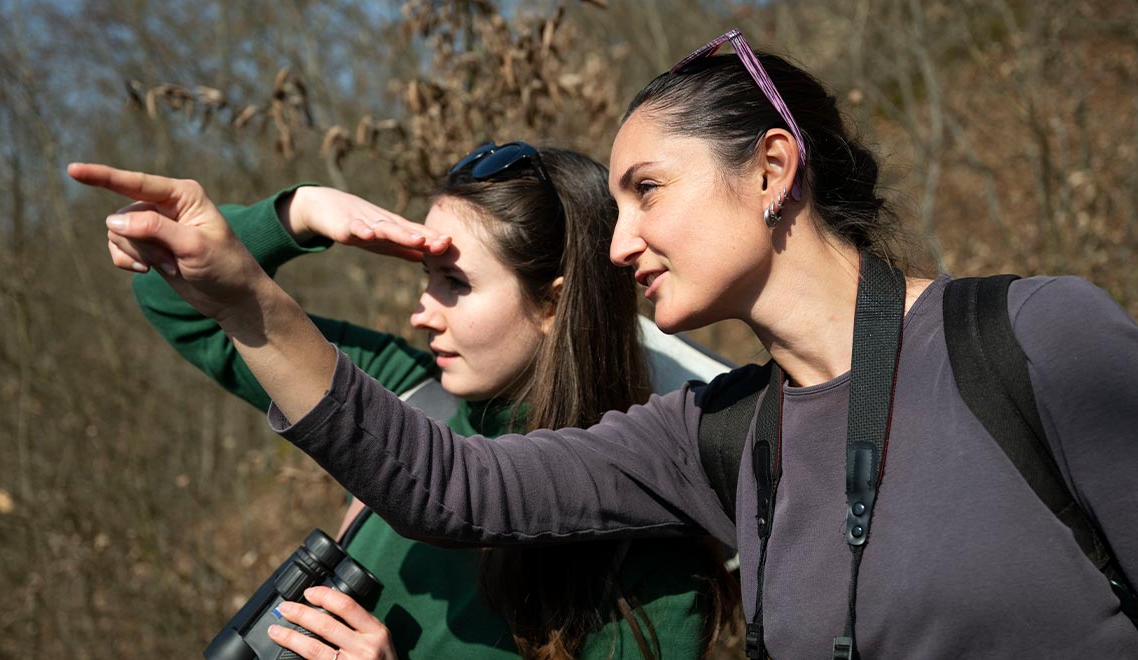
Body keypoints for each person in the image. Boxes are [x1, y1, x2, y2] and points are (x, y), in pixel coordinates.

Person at [71, 28, 1138, 658]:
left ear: (771, 171)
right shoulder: (714, 441)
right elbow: (449, 487)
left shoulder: (1036, 339)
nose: (617, 242)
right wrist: (242, 284)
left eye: (647, 191)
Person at [116, 143, 739, 659]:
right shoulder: (405, 397)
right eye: (426, 279)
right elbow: (178, 304)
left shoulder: (651, 546)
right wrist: (300, 212)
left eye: (454, 283)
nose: (422, 314)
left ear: (553, 305)